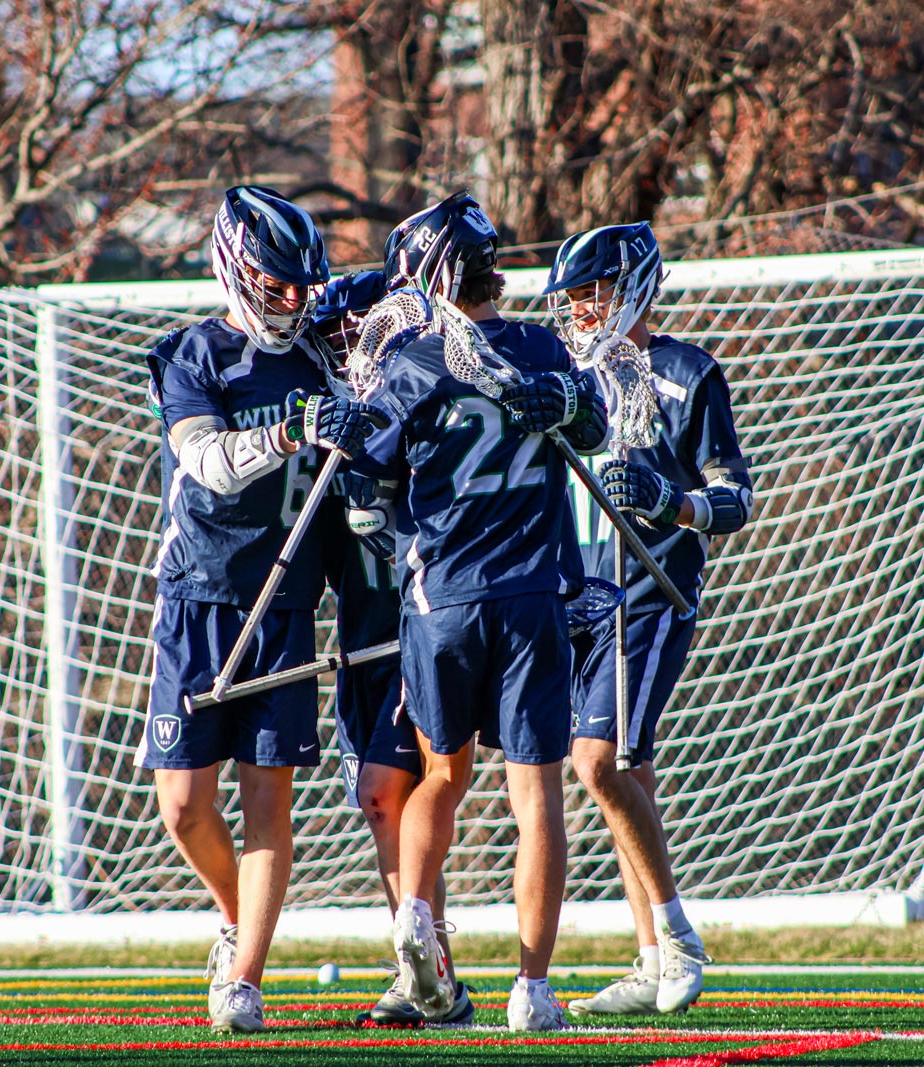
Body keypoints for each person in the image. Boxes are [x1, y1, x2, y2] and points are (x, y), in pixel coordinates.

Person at [354, 190, 608, 1032]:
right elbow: (597, 423)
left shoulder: (413, 362)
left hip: (443, 600)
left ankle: (415, 913)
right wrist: (565, 402)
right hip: (531, 595)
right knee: (534, 795)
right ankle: (531, 988)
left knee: (442, 776)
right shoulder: (539, 345)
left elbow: (370, 480)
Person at [135, 186, 384, 1034]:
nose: (293, 300)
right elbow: (204, 461)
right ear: (239, 270)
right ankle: (235, 915)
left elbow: (402, 300)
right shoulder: (194, 354)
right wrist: (290, 433)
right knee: (182, 804)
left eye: (301, 286)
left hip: (284, 603)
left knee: (266, 801)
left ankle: (244, 977)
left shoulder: (320, 352)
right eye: (277, 283)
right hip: (199, 595)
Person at [543, 222, 753, 1016]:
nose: (579, 310)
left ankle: (676, 934)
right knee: (623, 771)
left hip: (649, 589)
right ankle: (651, 957)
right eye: (572, 296)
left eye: (591, 292)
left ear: (631, 285)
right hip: (574, 594)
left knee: (595, 761)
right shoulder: (562, 374)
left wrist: (675, 503)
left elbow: (736, 495)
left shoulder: (687, 372)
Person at [309, 271, 473, 1027]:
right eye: (339, 334)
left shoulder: (415, 401)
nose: (350, 348)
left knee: (393, 790)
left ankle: (431, 970)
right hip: (359, 640)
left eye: (359, 330)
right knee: (380, 805)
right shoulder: (333, 419)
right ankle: (425, 972)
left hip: (418, 632)